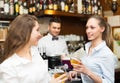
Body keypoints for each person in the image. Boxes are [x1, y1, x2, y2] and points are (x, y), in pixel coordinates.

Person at [0, 14, 67, 83]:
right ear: (25, 33)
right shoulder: (7, 67)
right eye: (37, 30)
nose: (40, 35)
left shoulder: (34, 52)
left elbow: (46, 78)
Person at [69, 15, 117, 83]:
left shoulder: (107, 54)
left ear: (102, 29)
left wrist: (88, 72)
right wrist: (76, 72)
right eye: (87, 27)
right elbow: (84, 71)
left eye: (92, 27)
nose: (88, 31)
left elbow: (109, 82)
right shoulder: (86, 47)